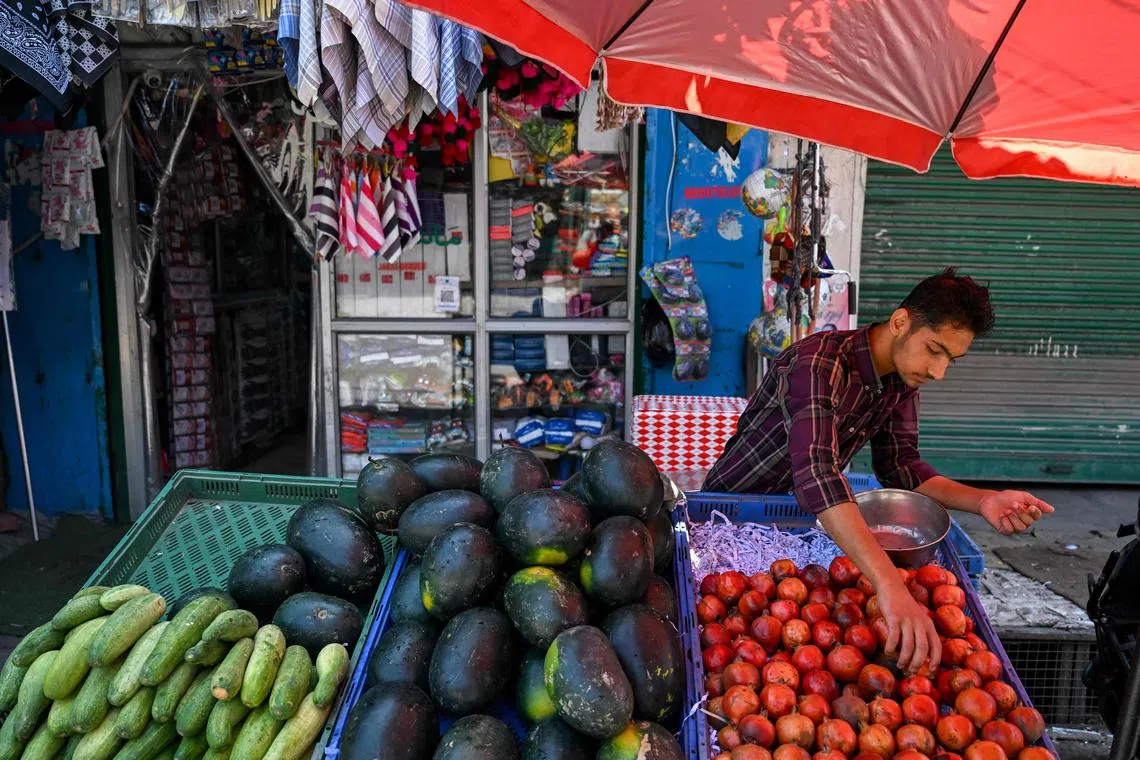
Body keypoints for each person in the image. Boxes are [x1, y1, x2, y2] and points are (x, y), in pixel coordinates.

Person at [704, 268, 1055, 673]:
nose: (938, 371)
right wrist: (888, 584)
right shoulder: (817, 364)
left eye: (951, 361)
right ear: (901, 322)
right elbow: (817, 473)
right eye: (934, 350)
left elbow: (902, 467)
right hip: (731, 518)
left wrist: (985, 500)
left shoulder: (900, 382)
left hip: (807, 526)